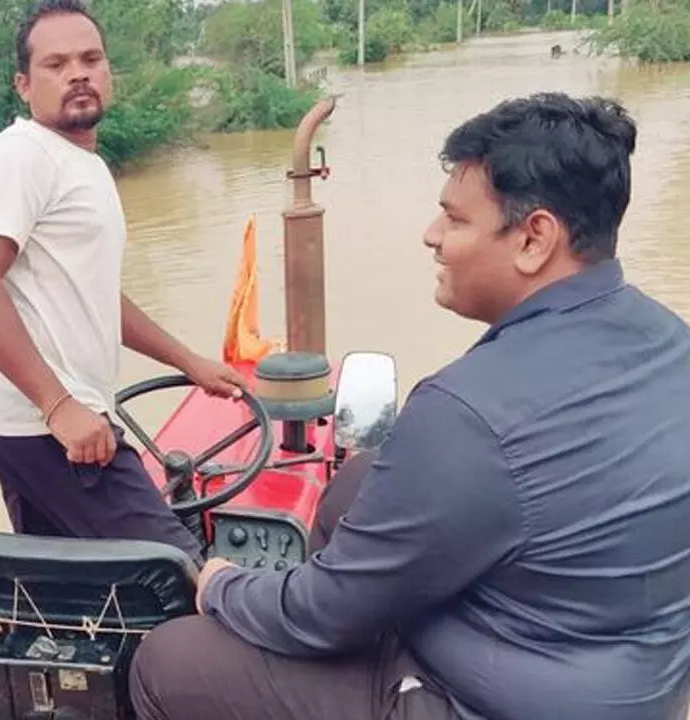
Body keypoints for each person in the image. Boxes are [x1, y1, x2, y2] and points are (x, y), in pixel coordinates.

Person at [127, 93, 690, 720]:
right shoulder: (673, 343)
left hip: (492, 700)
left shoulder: (470, 409)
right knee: (359, 484)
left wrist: (224, 585)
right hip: (632, 679)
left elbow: (321, 615)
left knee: (172, 657)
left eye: (454, 219)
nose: (432, 236)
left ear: (534, 239)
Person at [0, 0, 243, 565]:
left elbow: (97, 294)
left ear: (109, 72)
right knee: (179, 569)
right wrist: (60, 408)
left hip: (23, 421)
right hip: (40, 426)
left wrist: (190, 363)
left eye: (90, 58)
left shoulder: (83, 163)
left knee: (64, 584)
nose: (78, 73)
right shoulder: (18, 158)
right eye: (56, 64)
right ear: (23, 86)